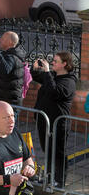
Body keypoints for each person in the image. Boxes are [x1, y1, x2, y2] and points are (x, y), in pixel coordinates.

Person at [31, 52, 77, 188]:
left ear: (65, 64)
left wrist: (46, 71)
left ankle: (59, 180)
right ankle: (49, 177)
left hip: (58, 123)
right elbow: (40, 78)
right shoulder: (54, 76)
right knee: (48, 150)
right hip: (45, 121)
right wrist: (35, 69)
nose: (52, 63)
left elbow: (54, 91)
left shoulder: (69, 81)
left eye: (56, 61)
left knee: (58, 152)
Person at [0, 31, 25, 107]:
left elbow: (5, 69)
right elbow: (6, 71)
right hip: (3, 101)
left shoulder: (12, 56)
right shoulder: (9, 55)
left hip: (8, 103)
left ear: (10, 42)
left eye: (2, 38)